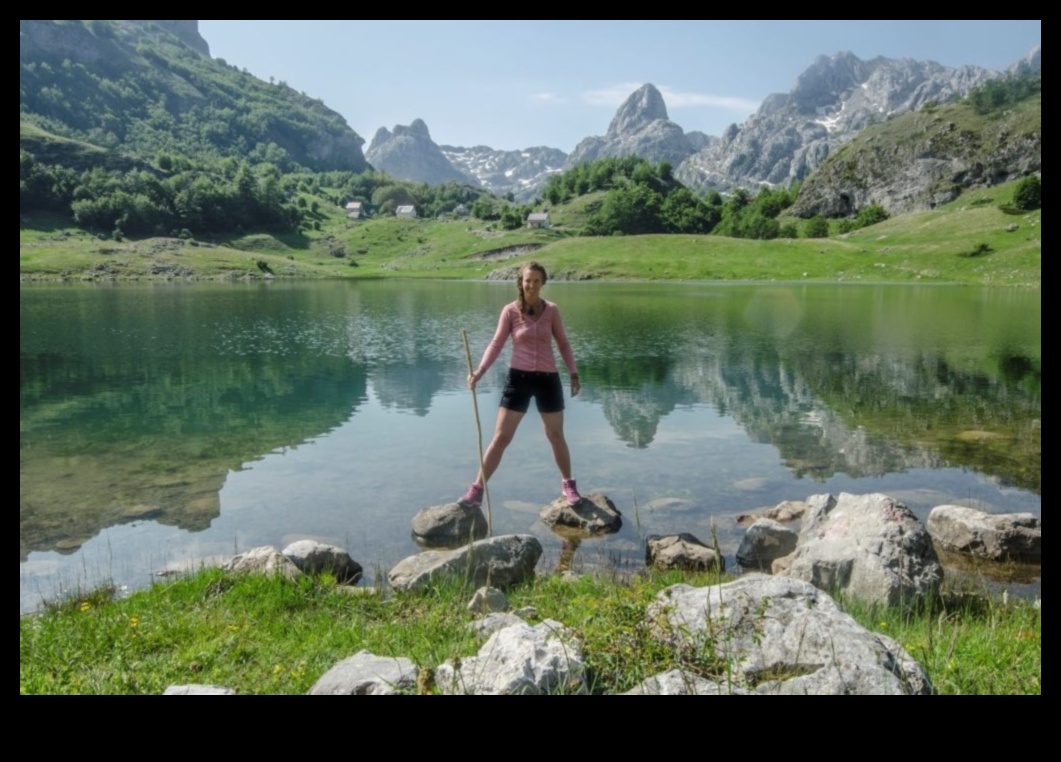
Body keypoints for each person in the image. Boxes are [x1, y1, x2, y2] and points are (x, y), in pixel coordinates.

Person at [461, 261, 583, 507]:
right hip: (519, 379)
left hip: (548, 379)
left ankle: (569, 486)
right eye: (528, 280)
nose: (532, 285)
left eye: (537, 280)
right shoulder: (510, 311)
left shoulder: (552, 310)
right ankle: (476, 489)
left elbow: (563, 344)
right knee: (501, 437)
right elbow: (496, 343)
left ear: (543, 283)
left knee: (555, 434)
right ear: (520, 282)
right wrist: (480, 371)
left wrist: (573, 373)